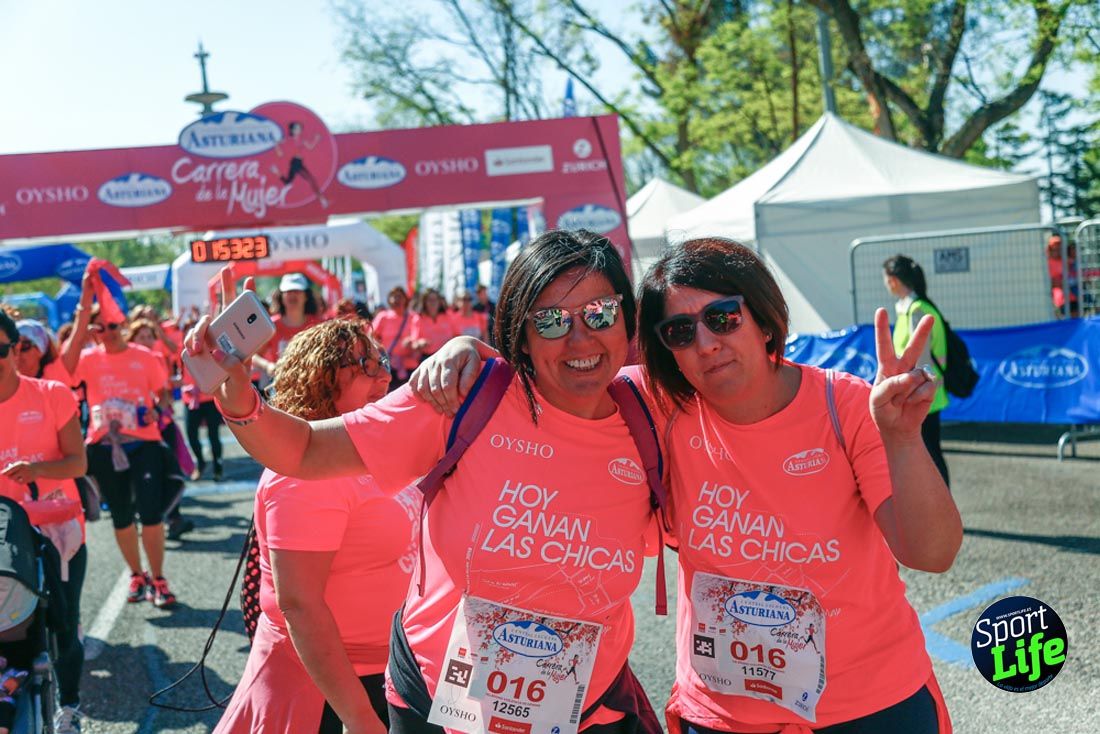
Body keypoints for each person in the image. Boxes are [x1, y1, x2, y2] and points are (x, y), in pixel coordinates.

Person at [417, 238, 963, 733]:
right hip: (727, 715)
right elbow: (558, 374)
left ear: (764, 320)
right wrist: (470, 352)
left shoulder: (844, 405)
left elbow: (932, 553)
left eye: (723, 318)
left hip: (867, 705)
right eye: (680, 331)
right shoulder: (655, 406)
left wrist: (903, 439)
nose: (705, 344)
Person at [187, 230, 666, 734]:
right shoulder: (464, 398)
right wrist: (238, 396)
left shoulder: (655, 411)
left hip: (589, 710)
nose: (580, 339)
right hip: (438, 706)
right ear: (520, 332)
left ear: (627, 318)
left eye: (600, 313)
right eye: (551, 320)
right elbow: (303, 450)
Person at [215, 319, 417, 734]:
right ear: (320, 379)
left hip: (389, 670)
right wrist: (359, 718)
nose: (384, 375)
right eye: (365, 365)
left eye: (382, 360)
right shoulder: (301, 476)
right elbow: (299, 606)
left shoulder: (372, 447)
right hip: (324, 692)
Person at [0, 311, 89, 733]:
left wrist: (36, 471)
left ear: (16, 351)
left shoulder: (52, 394)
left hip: (57, 531)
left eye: (1, 350)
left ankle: (69, 705)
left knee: (64, 625)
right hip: (5, 539)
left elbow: (78, 462)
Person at [70, 300, 178, 608]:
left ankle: (158, 579)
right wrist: (81, 329)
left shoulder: (144, 356)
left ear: (123, 325)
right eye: (101, 327)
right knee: (120, 516)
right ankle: (137, 575)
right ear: (94, 330)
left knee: (151, 513)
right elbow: (64, 371)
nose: (109, 332)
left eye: (114, 325)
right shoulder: (87, 359)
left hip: (144, 444)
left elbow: (163, 393)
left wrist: (156, 411)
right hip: (105, 446)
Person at [882, 255, 951, 486]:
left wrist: (909, 393)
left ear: (893, 281)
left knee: (931, 454)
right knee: (926, 454)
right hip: (920, 393)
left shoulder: (917, 309)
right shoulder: (908, 308)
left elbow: (921, 360)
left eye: (886, 280)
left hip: (924, 395)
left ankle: (943, 503)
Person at [253, 273, 323, 379]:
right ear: (281, 296)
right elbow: (253, 355)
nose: (292, 295)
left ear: (306, 296)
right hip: (282, 381)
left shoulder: (318, 325)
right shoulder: (271, 325)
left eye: (297, 291)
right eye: (288, 291)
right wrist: (267, 366)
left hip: (312, 381)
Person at [270, 120, 329, 207]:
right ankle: (322, 199)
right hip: (295, 163)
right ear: (292, 130)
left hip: (299, 163)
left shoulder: (302, 140)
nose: (299, 130)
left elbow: (310, 147)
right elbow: (280, 153)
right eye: (296, 128)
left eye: (300, 128)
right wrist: (276, 145)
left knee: (288, 182)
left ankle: (276, 172)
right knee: (310, 180)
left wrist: (316, 139)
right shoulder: (287, 140)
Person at [370, 287, 419, 389]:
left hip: (408, 365)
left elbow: (417, 335)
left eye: (399, 297)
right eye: (394, 297)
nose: (396, 300)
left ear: (405, 299)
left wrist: (411, 341)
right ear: (389, 300)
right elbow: (370, 336)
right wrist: (379, 348)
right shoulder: (383, 316)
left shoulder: (413, 317)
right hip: (388, 365)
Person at [14, 319, 77, 386]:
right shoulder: (9, 384)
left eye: (24, 346)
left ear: (40, 350)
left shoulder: (56, 374)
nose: (17, 353)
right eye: (13, 347)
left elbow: (78, 339)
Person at [409, 288, 457, 361]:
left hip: (447, 356)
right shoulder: (418, 318)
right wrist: (420, 342)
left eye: (435, 300)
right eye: (430, 300)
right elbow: (414, 343)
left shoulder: (448, 316)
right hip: (428, 358)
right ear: (424, 302)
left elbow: (457, 335)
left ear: (439, 301)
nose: (433, 303)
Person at [1046, 234, 1080, 318]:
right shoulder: (1047, 263)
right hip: (1060, 298)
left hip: (1073, 295)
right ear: (1050, 249)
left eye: (1059, 248)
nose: (1057, 251)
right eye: (1054, 249)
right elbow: (1053, 282)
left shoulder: (1067, 260)